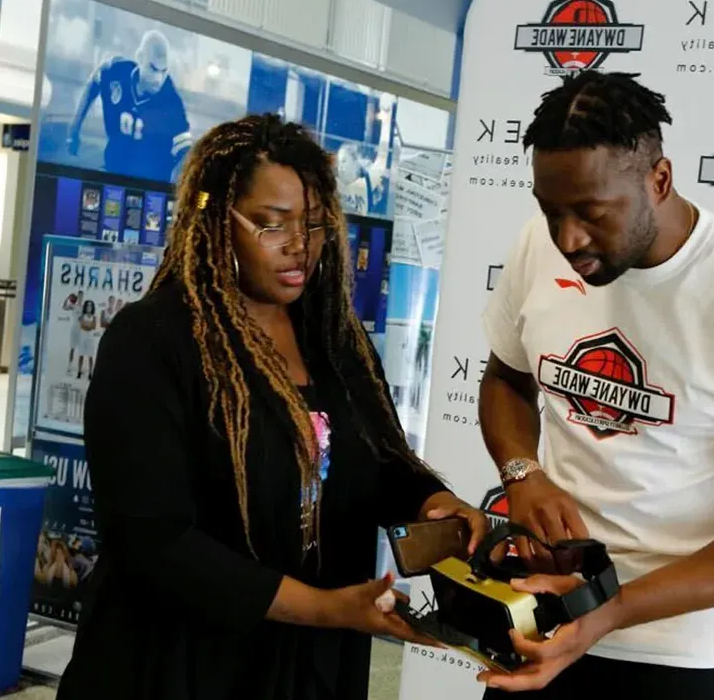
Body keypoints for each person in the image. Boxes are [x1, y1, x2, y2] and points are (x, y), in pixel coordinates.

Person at [56, 113, 487, 700]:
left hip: (306, 666)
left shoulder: (335, 339)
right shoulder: (154, 340)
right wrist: (324, 608)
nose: (298, 247)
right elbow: (154, 538)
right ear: (215, 220)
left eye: (312, 226)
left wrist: (435, 502)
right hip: (177, 664)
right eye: (270, 224)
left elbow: (375, 461)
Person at [477, 71, 714, 698]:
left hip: (683, 655)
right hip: (544, 620)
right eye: (551, 212)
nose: (568, 239)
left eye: (594, 214)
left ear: (659, 180)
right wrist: (523, 473)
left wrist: (614, 610)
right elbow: (506, 380)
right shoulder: (539, 248)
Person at [66, 29, 192, 183]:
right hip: (114, 169)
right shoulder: (116, 71)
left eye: (164, 71)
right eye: (153, 68)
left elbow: (186, 155)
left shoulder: (171, 102)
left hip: (149, 184)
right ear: (139, 57)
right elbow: (94, 82)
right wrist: (74, 128)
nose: (158, 79)